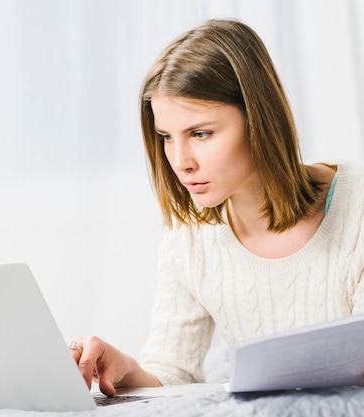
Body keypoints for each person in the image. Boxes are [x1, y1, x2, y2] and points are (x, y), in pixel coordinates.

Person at [69, 18, 364, 397]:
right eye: (166, 138)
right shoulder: (190, 236)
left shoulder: (356, 208)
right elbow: (174, 373)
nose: (180, 162)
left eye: (200, 133)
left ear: (258, 119)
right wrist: (123, 369)